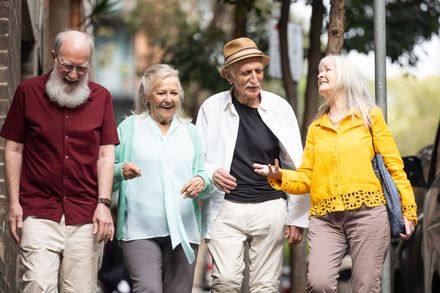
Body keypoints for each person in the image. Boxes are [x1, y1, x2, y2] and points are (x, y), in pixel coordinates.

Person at [254, 55, 418, 292]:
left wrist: (408, 210)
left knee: (366, 284)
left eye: (327, 70)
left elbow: (394, 167)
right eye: (318, 71)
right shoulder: (316, 128)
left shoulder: (369, 117)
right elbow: (307, 177)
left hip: (368, 212)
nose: (320, 74)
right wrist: (280, 175)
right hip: (326, 218)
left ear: (344, 76)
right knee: (319, 283)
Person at [1, 30, 119, 292]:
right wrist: (14, 203)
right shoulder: (27, 93)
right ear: (54, 58)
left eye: (82, 68)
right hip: (38, 211)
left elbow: (105, 155)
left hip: (86, 215)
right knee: (38, 286)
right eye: (67, 66)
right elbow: (14, 149)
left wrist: (103, 204)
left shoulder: (102, 98)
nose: (74, 74)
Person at [196, 37, 309, 292]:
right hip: (226, 208)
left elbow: (297, 165)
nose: (255, 78)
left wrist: (297, 217)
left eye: (259, 71)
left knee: (265, 286)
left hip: (270, 206)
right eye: (246, 73)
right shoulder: (211, 108)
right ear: (229, 76)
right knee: (225, 282)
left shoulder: (280, 108)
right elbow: (196, 159)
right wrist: (212, 172)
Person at [112, 64, 212, 293]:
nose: (169, 99)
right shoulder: (129, 128)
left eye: (174, 93)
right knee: (148, 289)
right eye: (162, 92)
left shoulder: (191, 132)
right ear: (147, 97)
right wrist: (120, 170)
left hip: (184, 232)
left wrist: (202, 181)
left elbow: (203, 175)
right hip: (139, 231)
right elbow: (107, 172)